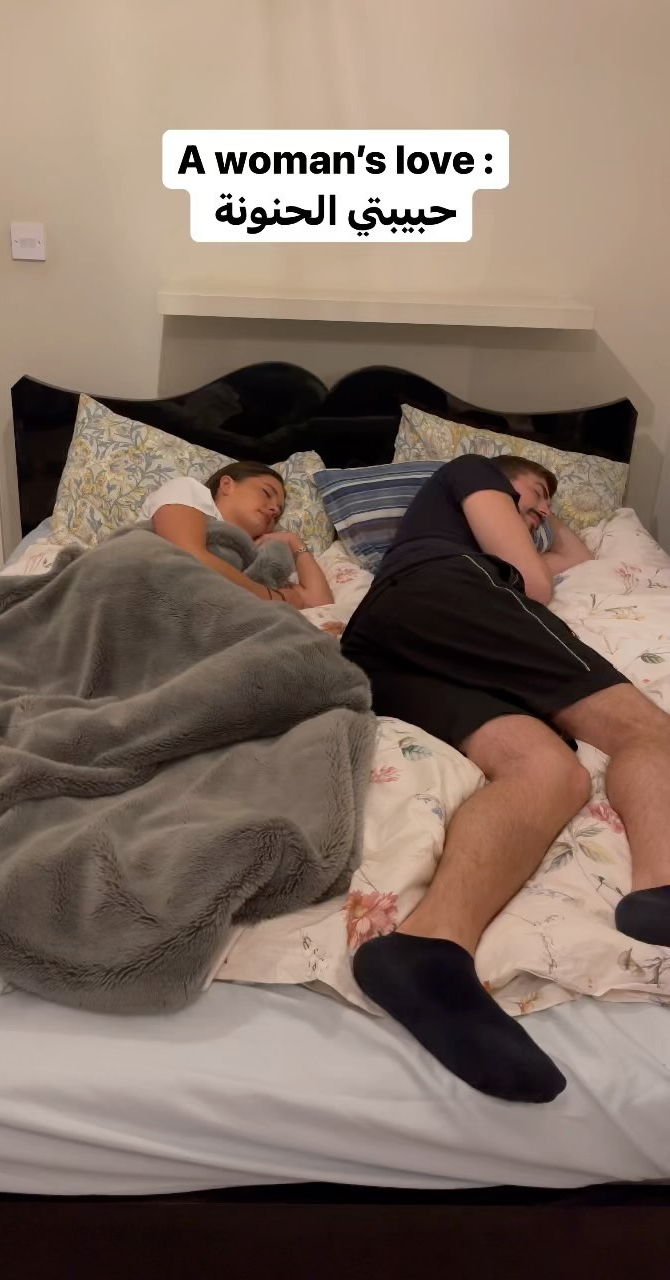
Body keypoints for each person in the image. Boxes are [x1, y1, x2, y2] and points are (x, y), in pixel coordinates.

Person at [341, 453, 670, 1105]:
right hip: (450, 594)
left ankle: (427, 950)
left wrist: (546, 515)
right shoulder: (472, 471)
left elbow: (575, 562)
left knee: (550, 772)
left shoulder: (497, 530)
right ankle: (662, 886)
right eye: (535, 490)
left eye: (549, 501)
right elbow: (537, 585)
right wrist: (516, 504)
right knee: (647, 730)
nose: (541, 507)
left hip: (381, 649)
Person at [140, 461, 333, 609]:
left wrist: (294, 541)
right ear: (227, 484)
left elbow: (320, 605)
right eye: (266, 493)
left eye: (279, 513)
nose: (275, 509)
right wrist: (274, 598)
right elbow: (187, 556)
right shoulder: (189, 490)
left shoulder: (259, 557)